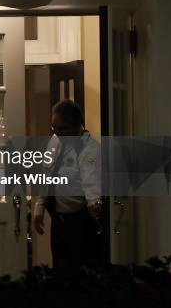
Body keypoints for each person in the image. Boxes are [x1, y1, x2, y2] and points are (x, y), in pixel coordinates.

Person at [32, 99, 102, 268]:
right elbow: (46, 173)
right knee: (59, 270)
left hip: (81, 223)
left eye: (61, 129)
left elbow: (91, 181)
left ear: (76, 126)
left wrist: (95, 205)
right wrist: (39, 207)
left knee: (81, 273)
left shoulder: (90, 150)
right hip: (58, 221)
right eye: (54, 128)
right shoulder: (56, 140)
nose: (56, 133)